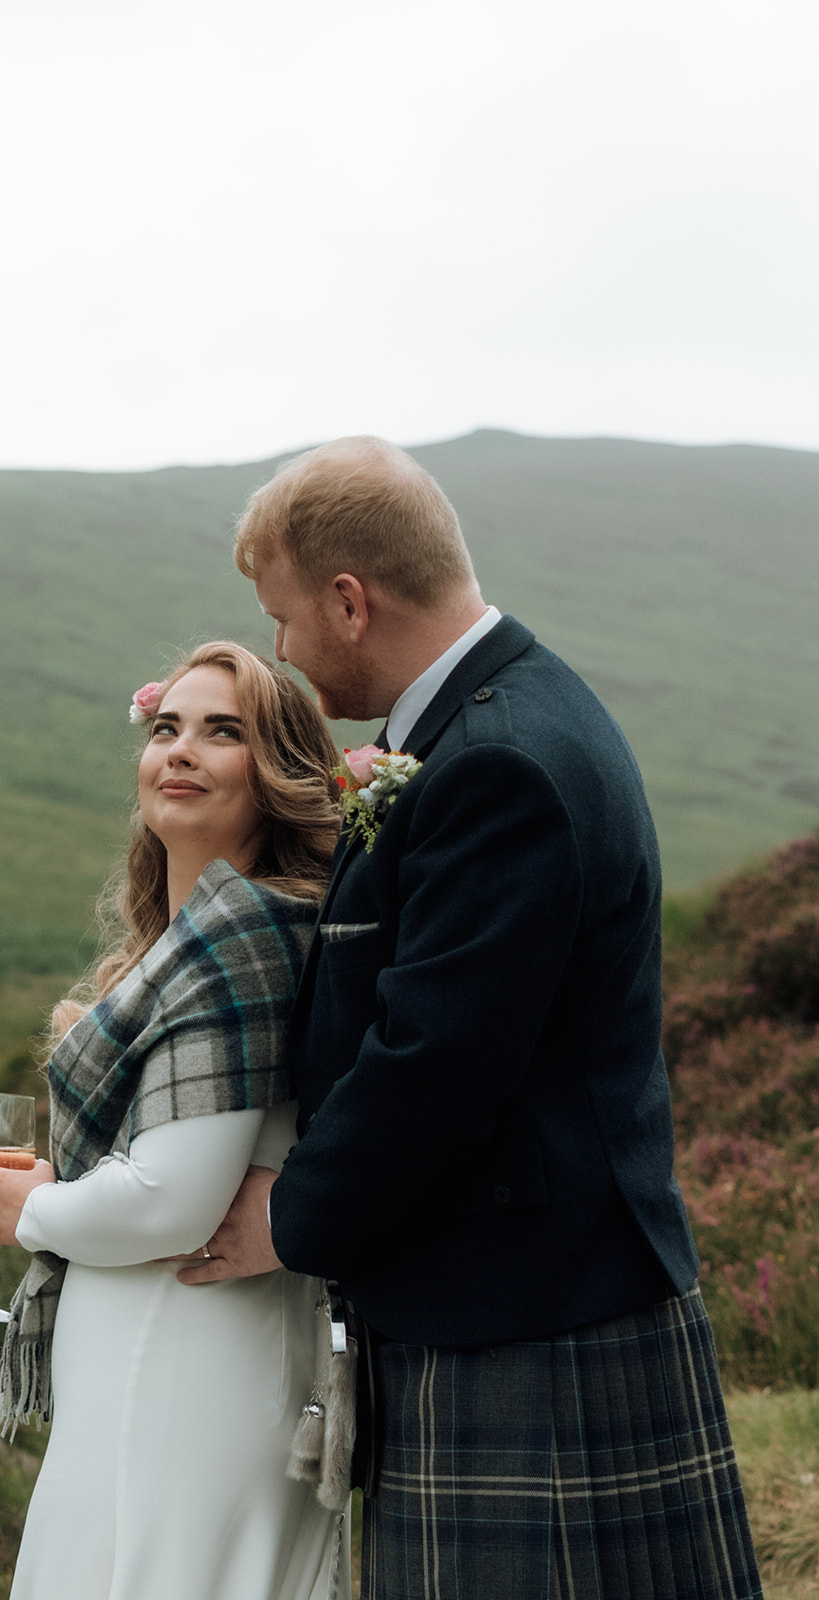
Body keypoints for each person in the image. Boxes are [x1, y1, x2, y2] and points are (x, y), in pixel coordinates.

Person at [178, 438, 763, 1600]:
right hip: (518, 1291)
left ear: (350, 602)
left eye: (283, 620)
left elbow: (436, 1057)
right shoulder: (485, 726)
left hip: (528, 1312)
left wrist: (291, 1214)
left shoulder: (498, 761)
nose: (282, 652)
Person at [0, 640, 350, 1600]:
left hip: (182, 1360)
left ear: (278, 776)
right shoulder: (194, 935)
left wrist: (35, 1209)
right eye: (166, 727)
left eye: (223, 733)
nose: (180, 750)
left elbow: (173, 1201)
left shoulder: (241, 932)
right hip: (162, 1362)